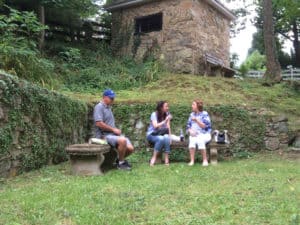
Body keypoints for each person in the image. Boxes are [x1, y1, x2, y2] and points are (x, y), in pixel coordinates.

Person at [93, 89, 134, 170]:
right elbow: (98, 123)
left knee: (130, 149)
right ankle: (121, 164)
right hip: (103, 136)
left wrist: (115, 130)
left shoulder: (108, 108)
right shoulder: (99, 107)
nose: (113, 100)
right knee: (123, 141)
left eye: (113, 98)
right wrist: (113, 130)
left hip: (112, 135)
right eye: (111, 98)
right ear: (104, 97)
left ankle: (119, 160)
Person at [186, 99, 211, 166]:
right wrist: (190, 131)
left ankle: (205, 160)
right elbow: (188, 126)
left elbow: (205, 127)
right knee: (192, 140)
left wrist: (196, 120)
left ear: (197, 106)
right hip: (194, 134)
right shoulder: (191, 114)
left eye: (193, 104)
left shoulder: (204, 114)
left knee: (200, 140)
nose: (191, 106)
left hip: (205, 134)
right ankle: (192, 161)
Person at [147, 101, 172, 166]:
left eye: (168, 106)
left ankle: (166, 158)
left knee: (166, 137)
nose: (167, 108)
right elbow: (155, 126)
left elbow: (168, 126)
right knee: (161, 138)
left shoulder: (167, 114)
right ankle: (154, 157)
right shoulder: (154, 114)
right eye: (166, 106)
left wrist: (170, 137)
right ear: (161, 108)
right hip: (152, 134)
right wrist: (165, 121)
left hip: (162, 134)